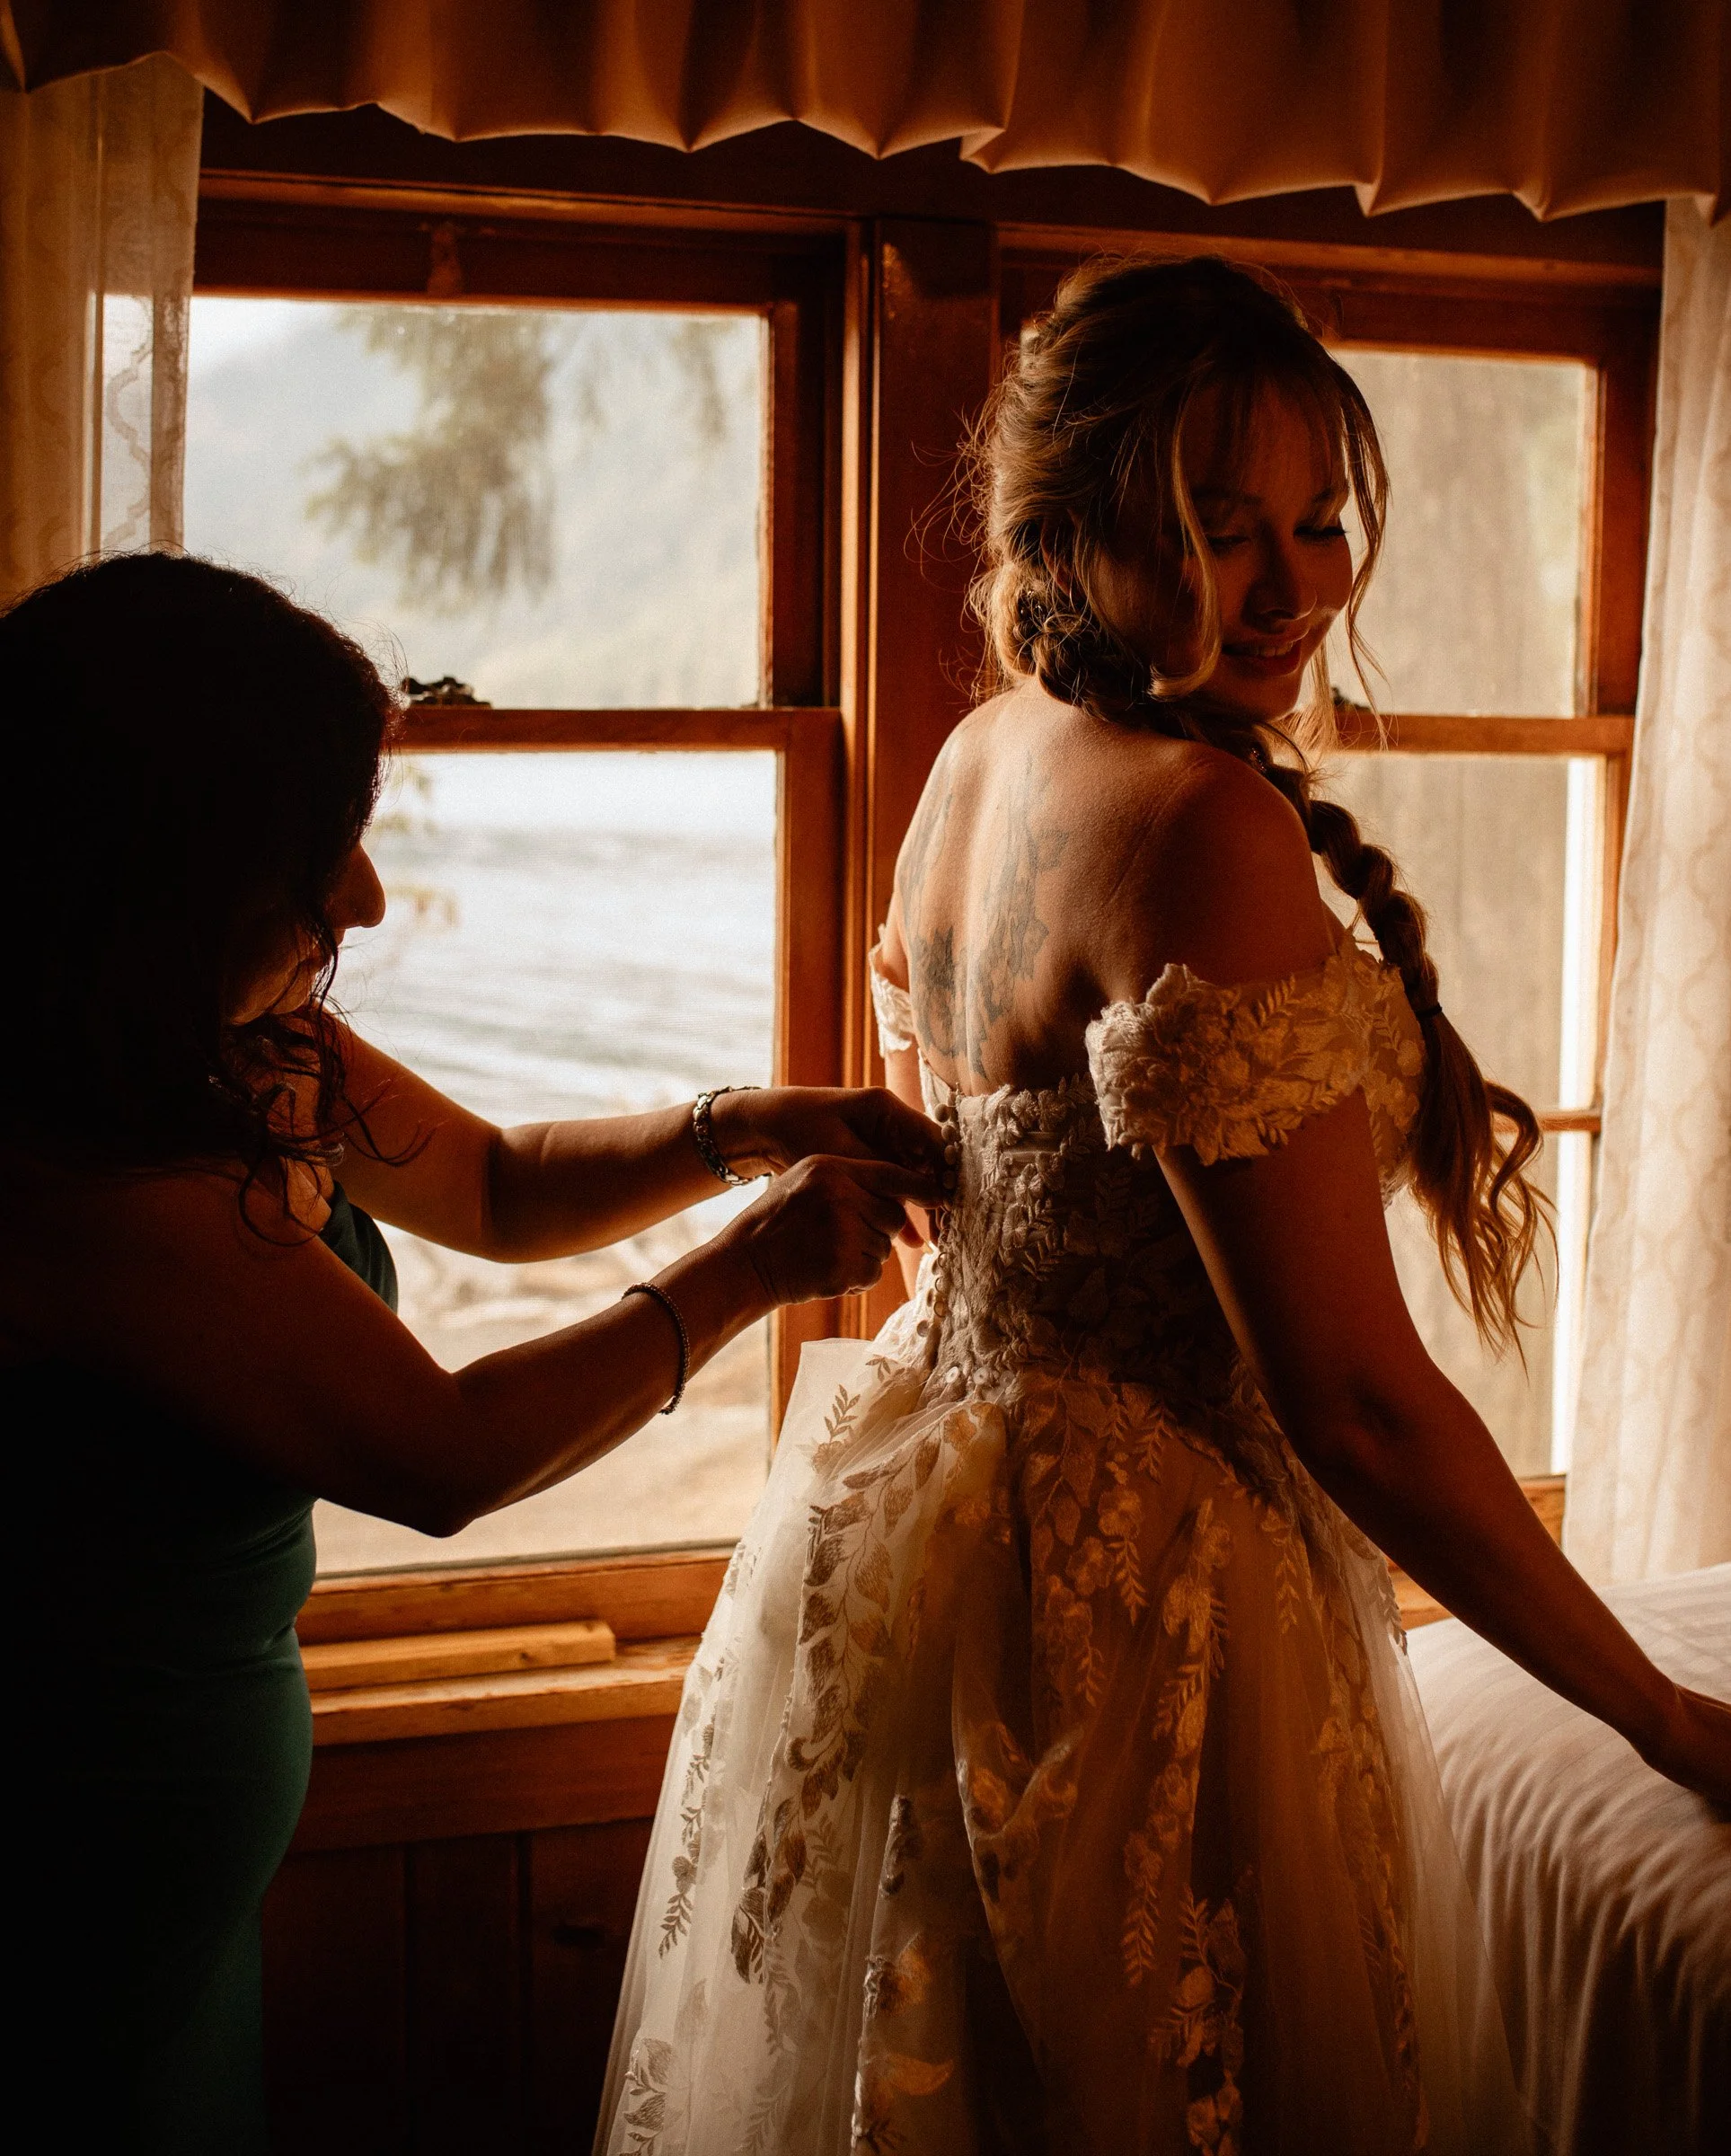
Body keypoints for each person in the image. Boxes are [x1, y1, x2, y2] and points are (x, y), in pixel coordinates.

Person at [595, 256, 1731, 2155]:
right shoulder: (1197, 826)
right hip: (1145, 1607)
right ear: (1066, 532)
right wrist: (1673, 1723)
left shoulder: (980, 754)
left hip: (944, 1527)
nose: (1286, 589)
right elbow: (1355, 1401)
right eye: (1214, 531)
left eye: (1316, 524)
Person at [1, 553, 948, 2153]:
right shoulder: (77, 1188)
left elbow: (497, 1187)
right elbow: (440, 1459)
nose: (363, 901)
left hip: (170, 1893)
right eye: (316, 864)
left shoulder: (232, 1043)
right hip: (61, 1885)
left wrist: (744, 1122)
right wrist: (755, 1270)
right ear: (159, 874)